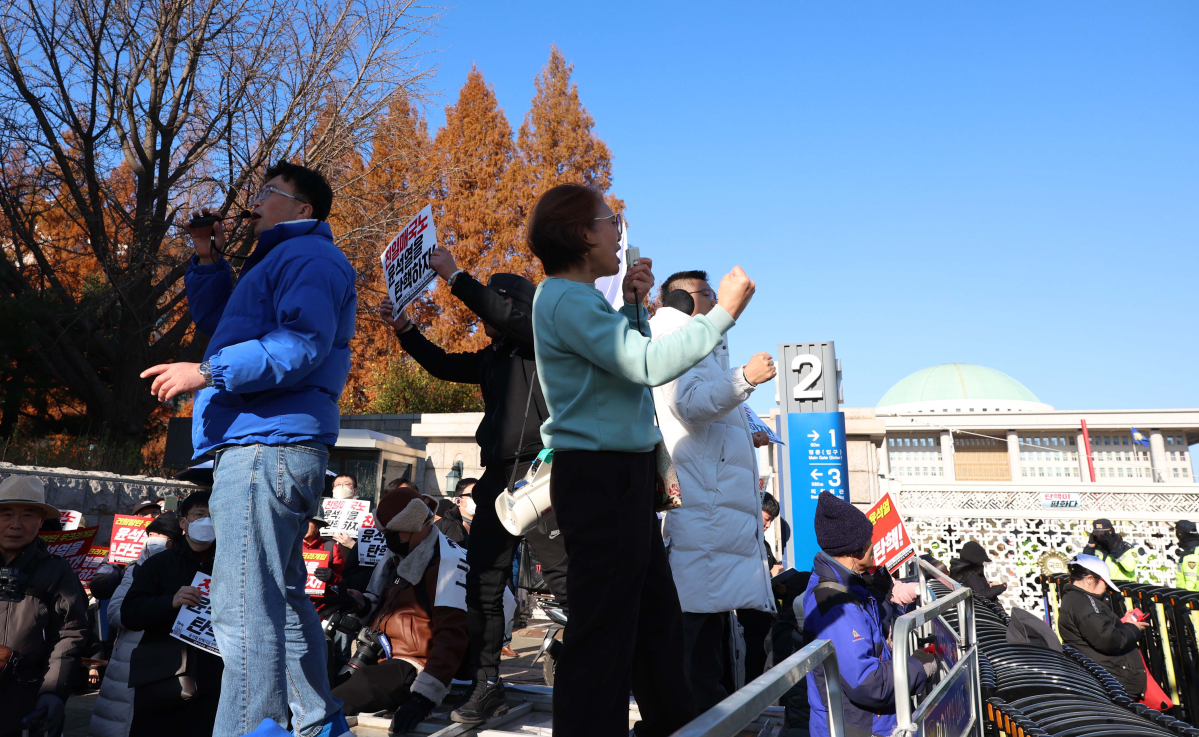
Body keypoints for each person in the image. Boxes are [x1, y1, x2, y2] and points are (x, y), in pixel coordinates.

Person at [528, 183, 758, 735]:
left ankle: (670, 725)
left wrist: (633, 305)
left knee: (654, 622)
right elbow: (647, 365)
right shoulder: (564, 297)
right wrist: (723, 313)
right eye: (609, 220)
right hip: (600, 475)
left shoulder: (575, 299)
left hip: (615, 475)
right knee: (604, 633)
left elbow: (621, 364)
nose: (618, 231)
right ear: (582, 235)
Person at [140, 161, 357, 737]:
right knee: (279, 599)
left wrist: (207, 371)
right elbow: (226, 323)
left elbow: (299, 344)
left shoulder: (309, 257)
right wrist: (207, 257)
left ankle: (252, 728)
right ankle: (316, 721)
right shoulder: (282, 259)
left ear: (303, 209)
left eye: (268, 191)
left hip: (265, 445)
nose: (254, 201)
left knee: (241, 608)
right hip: (270, 444)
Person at [378, 247, 569, 724]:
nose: (487, 314)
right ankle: (487, 684)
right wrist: (405, 330)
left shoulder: (542, 341)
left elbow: (507, 317)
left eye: (496, 302)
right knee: (482, 585)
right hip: (497, 480)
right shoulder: (492, 358)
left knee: (568, 583)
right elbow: (443, 365)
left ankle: (596, 673)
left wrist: (456, 277)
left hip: (542, 475)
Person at [648, 268, 777, 711]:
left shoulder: (698, 343)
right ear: (685, 301)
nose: (719, 301)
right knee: (693, 643)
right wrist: (745, 378)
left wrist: (741, 435)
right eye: (709, 294)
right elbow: (690, 403)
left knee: (705, 641)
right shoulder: (675, 335)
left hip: (711, 513)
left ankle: (698, 719)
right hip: (702, 515)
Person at [332, 485, 469, 734]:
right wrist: (361, 604)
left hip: (416, 665)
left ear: (415, 525)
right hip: (382, 655)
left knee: (339, 700)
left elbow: (452, 634)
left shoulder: (446, 563)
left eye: (394, 533)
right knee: (327, 682)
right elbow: (385, 606)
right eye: (385, 533)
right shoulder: (399, 556)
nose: (388, 539)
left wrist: (424, 696)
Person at [802, 492, 929, 737]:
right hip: (857, 729)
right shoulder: (835, 604)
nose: (874, 545)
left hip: (868, 724)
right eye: (869, 540)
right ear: (855, 550)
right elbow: (867, 683)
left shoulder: (851, 586)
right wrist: (918, 668)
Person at [121, 492, 222, 736]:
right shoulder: (159, 564)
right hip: (163, 675)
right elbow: (130, 614)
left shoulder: (230, 566)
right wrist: (170, 602)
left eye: (213, 516)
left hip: (213, 677)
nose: (206, 521)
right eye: (199, 515)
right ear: (183, 523)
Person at [0, 476, 88, 737]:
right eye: (6, 514)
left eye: (27, 515)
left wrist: (53, 692)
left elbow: (69, 634)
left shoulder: (57, 571)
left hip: (24, 697)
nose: (15, 524)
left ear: (40, 521)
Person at [89, 513, 179, 737]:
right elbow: (116, 614)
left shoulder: (183, 572)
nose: (154, 540)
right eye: (151, 535)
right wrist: (162, 605)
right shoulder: (134, 570)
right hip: (126, 663)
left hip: (165, 664)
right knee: (116, 724)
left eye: (162, 536)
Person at [1057, 554, 1149, 698]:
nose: (1106, 587)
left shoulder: (1076, 599)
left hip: (1102, 677)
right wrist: (1133, 628)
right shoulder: (1085, 603)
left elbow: (1097, 630)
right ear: (1089, 579)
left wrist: (1123, 624)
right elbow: (1108, 640)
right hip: (1111, 682)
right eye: (1104, 582)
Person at [90, 499, 165, 603]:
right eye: (143, 514)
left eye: (155, 513)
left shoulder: (173, 544)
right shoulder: (119, 550)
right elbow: (98, 588)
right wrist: (123, 573)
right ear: (134, 519)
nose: (150, 517)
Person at [432, 478, 475, 548]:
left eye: (480, 494)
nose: (477, 498)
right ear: (458, 501)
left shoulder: (490, 525)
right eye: (471, 495)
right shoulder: (441, 526)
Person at [1175, 520, 1199, 591]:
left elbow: (1190, 583)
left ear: (1180, 534)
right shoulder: (1195, 549)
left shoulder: (1190, 554)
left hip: (1189, 596)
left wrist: (1184, 596)